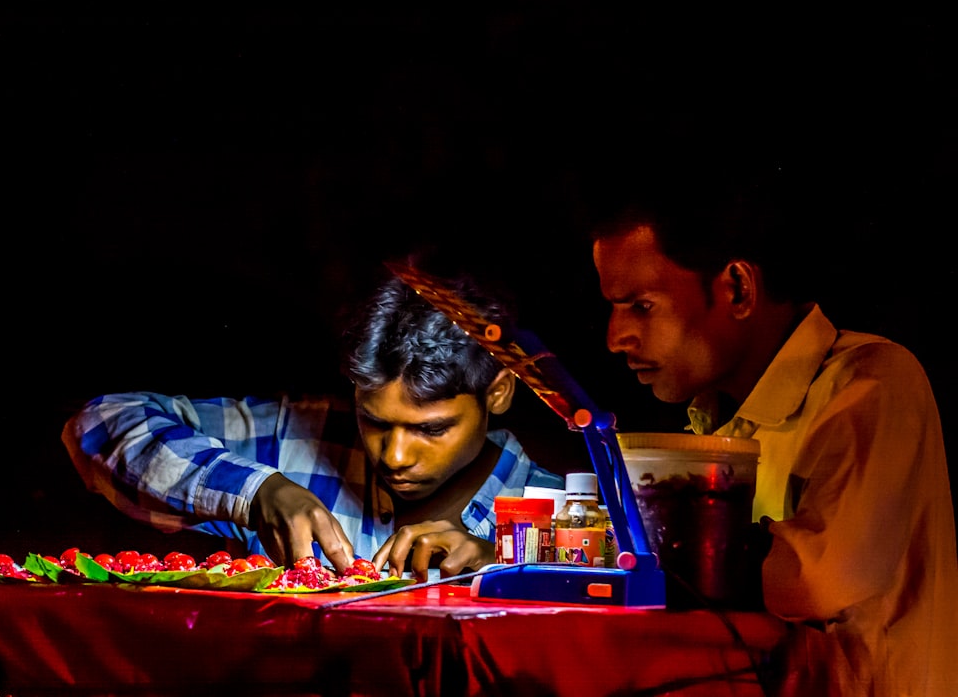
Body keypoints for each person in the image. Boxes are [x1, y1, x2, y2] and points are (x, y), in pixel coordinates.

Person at [587, 168, 958, 696]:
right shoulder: (716, 417)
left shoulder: (872, 382)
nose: (615, 337)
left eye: (641, 306)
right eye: (614, 307)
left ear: (738, 288)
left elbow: (815, 577)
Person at [60, 254, 564, 582]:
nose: (395, 456)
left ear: (497, 393)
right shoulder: (293, 437)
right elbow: (102, 424)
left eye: (431, 429)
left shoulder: (571, 517)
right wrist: (257, 492)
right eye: (375, 421)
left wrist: (509, 570)